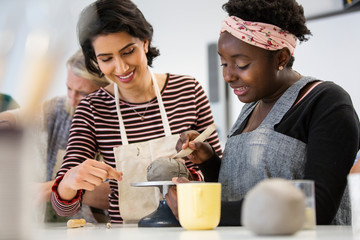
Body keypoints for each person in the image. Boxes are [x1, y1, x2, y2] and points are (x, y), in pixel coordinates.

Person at [166, 0, 360, 226]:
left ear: (281, 58)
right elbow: (236, 189)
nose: (228, 76)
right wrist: (209, 160)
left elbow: (316, 208)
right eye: (223, 64)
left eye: (241, 64)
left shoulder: (326, 103)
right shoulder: (251, 107)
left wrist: (206, 209)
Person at [50, 0, 222, 223]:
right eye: (106, 59)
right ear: (94, 59)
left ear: (145, 42)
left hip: (190, 227)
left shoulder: (188, 91)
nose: (121, 68)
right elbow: (63, 208)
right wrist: (70, 181)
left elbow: (221, 179)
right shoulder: (92, 109)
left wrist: (202, 165)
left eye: (128, 51)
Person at [0, 49, 111, 223]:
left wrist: (50, 188)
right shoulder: (59, 109)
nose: (72, 100)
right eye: (69, 88)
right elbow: (18, 117)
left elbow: (119, 194)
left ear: (107, 90)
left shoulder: (120, 124)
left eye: (83, 93)